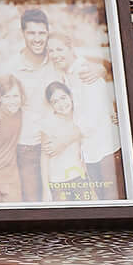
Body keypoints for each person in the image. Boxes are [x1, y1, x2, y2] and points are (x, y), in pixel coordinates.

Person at [10, 6, 55, 201]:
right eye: (31, 33)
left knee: (65, 203)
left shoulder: (56, 58)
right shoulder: (12, 67)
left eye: (42, 33)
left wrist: (99, 70)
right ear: (23, 33)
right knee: (32, 201)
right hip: (27, 147)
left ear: (48, 33)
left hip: (58, 144)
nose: (37, 39)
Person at [74, 50, 126, 200]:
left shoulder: (87, 72)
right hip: (84, 151)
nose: (55, 54)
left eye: (59, 49)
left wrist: (104, 67)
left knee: (113, 196)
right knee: (101, 196)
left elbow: (113, 60)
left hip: (105, 147)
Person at [38, 78, 91, 207]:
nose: (61, 104)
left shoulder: (79, 117)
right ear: (51, 105)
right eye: (55, 101)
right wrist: (46, 190)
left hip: (80, 177)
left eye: (63, 98)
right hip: (58, 182)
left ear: (70, 96)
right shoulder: (49, 124)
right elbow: (44, 157)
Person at [0, 72, 27, 209]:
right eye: (6, 97)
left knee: (14, 210)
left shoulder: (20, 111)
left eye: (15, 96)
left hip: (11, 173)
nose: (12, 101)